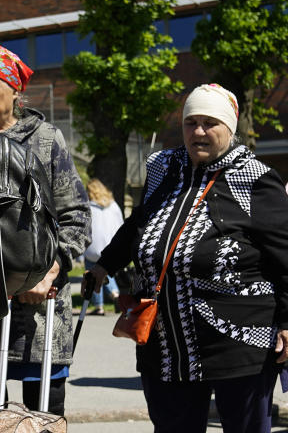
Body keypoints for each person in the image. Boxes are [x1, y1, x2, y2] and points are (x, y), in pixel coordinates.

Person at [87, 83, 288, 433]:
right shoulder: (164, 168)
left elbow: (285, 254)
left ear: (230, 127)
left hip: (240, 345)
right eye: (190, 122)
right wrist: (105, 265)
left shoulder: (254, 178)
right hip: (165, 345)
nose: (198, 131)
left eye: (210, 123)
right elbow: (139, 223)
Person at [0, 44, 91, 416]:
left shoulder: (46, 140)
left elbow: (76, 216)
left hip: (38, 307)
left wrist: (47, 272)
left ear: (15, 92)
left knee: (43, 416)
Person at [83, 178, 123, 315]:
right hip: (110, 245)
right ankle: (115, 294)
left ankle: (98, 306)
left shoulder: (87, 206)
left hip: (93, 247)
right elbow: (121, 224)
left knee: (92, 272)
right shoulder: (114, 206)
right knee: (106, 270)